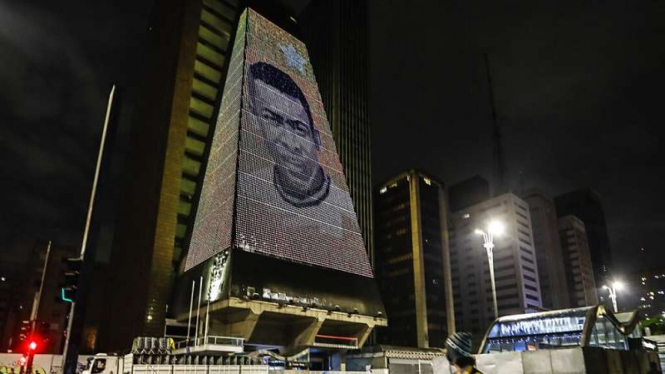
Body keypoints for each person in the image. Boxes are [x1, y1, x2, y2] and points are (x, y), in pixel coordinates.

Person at [247, 61, 329, 207]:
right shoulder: (250, 190)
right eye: (272, 120)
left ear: (317, 139)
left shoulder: (341, 209)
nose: (289, 142)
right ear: (255, 118)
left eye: (299, 129)